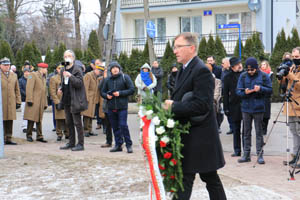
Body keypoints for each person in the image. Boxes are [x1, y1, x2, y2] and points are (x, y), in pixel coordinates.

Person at [163, 32, 226, 200]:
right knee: (207, 177)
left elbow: (203, 105)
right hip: (192, 135)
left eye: (178, 47)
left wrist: (174, 106)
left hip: (200, 136)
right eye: (174, 47)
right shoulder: (185, 69)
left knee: (192, 177)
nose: (175, 51)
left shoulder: (201, 70)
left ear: (191, 48)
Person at [236, 57, 272, 164]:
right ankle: (246, 154)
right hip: (246, 108)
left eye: (252, 70)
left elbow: (270, 90)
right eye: (248, 70)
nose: (250, 72)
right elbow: (237, 91)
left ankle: (260, 155)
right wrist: (244, 93)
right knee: (246, 132)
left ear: (256, 68)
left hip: (258, 108)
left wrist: (260, 89)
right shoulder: (243, 76)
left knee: (259, 132)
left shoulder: (264, 76)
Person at [101, 61, 135, 153]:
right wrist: (107, 96)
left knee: (123, 125)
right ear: (110, 70)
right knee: (115, 127)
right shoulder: (107, 80)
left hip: (122, 107)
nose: (115, 69)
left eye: (117, 67)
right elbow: (102, 92)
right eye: (113, 68)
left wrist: (120, 93)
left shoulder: (125, 77)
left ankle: (129, 144)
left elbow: (132, 89)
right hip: (111, 107)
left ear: (119, 69)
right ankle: (118, 145)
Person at [59, 50, 88, 151]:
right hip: (66, 99)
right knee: (69, 122)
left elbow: (79, 83)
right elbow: (63, 83)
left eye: (69, 56)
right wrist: (60, 88)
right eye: (65, 56)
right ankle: (71, 143)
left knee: (77, 123)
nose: (67, 58)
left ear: (73, 58)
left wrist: (70, 76)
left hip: (75, 99)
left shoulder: (77, 69)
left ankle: (80, 144)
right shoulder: (63, 69)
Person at [281, 47, 300, 168]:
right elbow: (285, 86)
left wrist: (290, 75)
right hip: (290, 105)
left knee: (299, 132)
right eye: (293, 57)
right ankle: (295, 157)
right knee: (294, 132)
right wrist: (282, 76)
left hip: (298, 106)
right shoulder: (293, 68)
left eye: (297, 57)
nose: (295, 59)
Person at [24, 62, 49, 143]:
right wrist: (29, 100)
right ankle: (29, 135)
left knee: (39, 120)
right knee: (31, 119)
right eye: (45, 68)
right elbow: (29, 88)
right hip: (33, 101)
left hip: (40, 102)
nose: (46, 70)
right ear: (41, 69)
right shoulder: (33, 75)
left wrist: (45, 103)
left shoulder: (43, 78)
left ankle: (39, 136)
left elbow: (44, 92)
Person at [223, 57, 243, 157]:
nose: (239, 65)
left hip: (245, 105)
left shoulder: (244, 74)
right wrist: (225, 107)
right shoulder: (227, 77)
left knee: (247, 130)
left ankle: (247, 150)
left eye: (240, 63)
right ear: (232, 67)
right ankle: (237, 150)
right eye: (237, 64)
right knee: (236, 129)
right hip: (234, 106)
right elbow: (225, 94)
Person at [0, 57, 21, 145]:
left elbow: (17, 89)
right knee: (2, 120)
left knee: (10, 120)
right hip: (2, 101)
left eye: (8, 65)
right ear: (0, 65)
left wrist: (18, 101)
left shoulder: (14, 75)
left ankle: (8, 138)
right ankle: (2, 138)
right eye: (5, 65)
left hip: (11, 101)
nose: (7, 66)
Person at [81, 63, 104, 137]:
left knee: (91, 115)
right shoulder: (88, 75)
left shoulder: (96, 77)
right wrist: (86, 99)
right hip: (88, 98)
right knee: (86, 115)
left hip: (93, 99)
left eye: (101, 72)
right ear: (95, 69)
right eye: (99, 71)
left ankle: (90, 130)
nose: (100, 73)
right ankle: (85, 130)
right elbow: (85, 88)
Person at [49, 64, 69, 141]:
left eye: (62, 68)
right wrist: (57, 102)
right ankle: (59, 134)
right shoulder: (53, 78)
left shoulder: (67, 77)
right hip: (59, 100)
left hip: (66, 100)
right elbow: (52, 92)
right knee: (59, 119)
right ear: (56, 69)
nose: (61, 69)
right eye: (59, 68)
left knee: (67, 118)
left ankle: (67, 133)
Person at [100, 67, 113, 148]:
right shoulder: (105, 78)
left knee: (118, 125)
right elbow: (100, 89)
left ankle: (120, 142)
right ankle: (108, 141)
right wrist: (104, 78)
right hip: (107, 105)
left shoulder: (120, 77)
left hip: (117, 105)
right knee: (108, 125)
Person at [220, 57, 234, 135]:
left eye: (223, 63)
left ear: (228, 63)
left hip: (232, 95)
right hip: (225, 95)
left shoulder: (232, 71)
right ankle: (231, 127)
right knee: (227, 111)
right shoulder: (223, 71)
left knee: (233, 112)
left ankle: (235, 127)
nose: (222, 64)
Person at [260, 60, 273, 135]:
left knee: (266, 114)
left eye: (264, 64)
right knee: (260, 113)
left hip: (267, 96)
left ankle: (265, 129)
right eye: (262, 64)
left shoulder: (270, 73)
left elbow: (269, 84)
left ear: (267, 65)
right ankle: (261, 128)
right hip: (260, 95)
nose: (263, 66)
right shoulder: (258, 73)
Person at [19, 67, 30, 133]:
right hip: (24, 99)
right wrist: (27, 95)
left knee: (31, 113)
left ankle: (31, 126)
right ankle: (24, 127)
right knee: (24, 113)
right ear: (24, 73)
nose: (27, 73)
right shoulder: (20, 80)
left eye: (28, 72)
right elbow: (20, 89)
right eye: (25, 72)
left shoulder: (31, 79)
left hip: (31, 99)